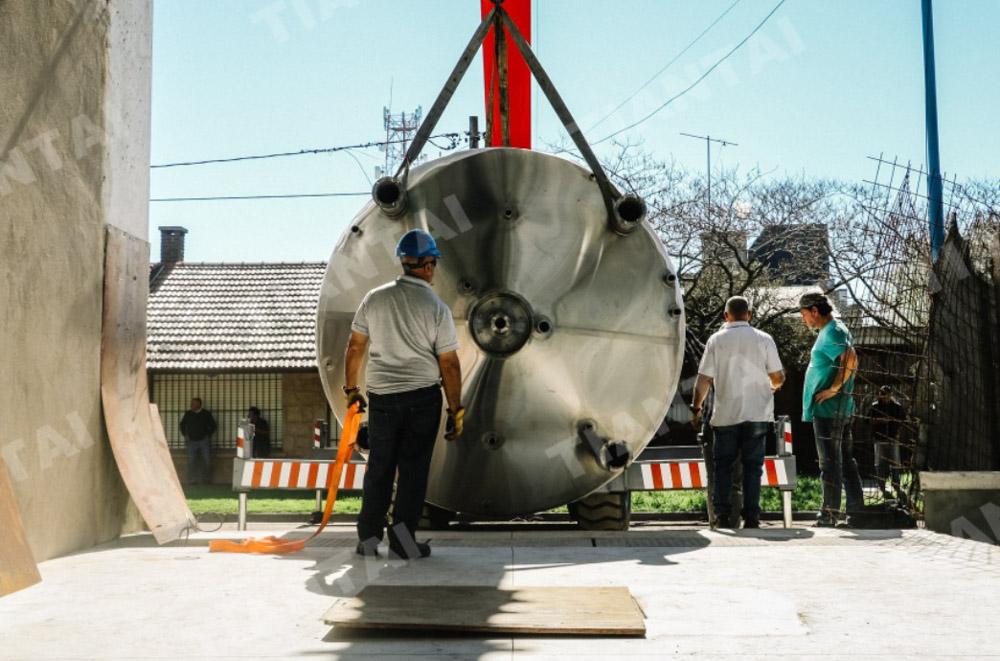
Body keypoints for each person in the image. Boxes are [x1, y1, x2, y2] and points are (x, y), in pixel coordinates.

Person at [344, 229, 464, 560]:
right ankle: (403, 542)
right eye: (434, 263)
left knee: (379, 468)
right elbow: (449, 365)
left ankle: (368, 539)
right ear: (427, 265)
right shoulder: (436, 308)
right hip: (422, 400)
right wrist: (456, 411)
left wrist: (352, 390)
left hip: (382, 398)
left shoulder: (375, 299)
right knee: (412, 472)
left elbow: (355, 346)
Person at [692, 296, 785, 529]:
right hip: (758, 414)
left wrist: (696, 407)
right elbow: (778, 376)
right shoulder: (765, 339)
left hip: (726, 416)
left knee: (723, 466)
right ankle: (752, 517)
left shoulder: (716, 340)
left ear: (726, 316)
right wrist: (770, 389)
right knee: (753, 468)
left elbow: (704, 379)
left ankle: (722, 516)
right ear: (749, 315)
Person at [799, 292, 863, 526]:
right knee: (845, 461)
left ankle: (829, 514)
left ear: (815, 311)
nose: (804, 320)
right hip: (837, 410)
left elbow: (851, 358)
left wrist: (834, 388)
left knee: (830, 463)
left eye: (804, 315)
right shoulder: (833, 329)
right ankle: (856, 511)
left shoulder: (833, 330)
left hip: (830, 410)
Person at [868, 386, 906, 500]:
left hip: (893, 438)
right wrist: (880, 420)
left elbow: (902, 420)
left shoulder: (897, 407)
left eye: (887, 394)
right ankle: (881, 485)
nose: (885, 397)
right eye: (882, 394)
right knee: (880, 464)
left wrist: (897, 429)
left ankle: (896, 485)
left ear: (890, 395)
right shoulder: (875, 406)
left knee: (895, 463)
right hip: (879, 439)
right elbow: (867, 420)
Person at [179, 397, 216, 486]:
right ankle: (192, 480)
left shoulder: (206, 414)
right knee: (191, 460)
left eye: (194, 403)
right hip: (191, 440)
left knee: (207, 460)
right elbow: (182, 424)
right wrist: (185, 435)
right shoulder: (188, 414)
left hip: (204, 440)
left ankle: (206, 479)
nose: (191, 405)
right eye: (191, 403)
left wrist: (208, 435)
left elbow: (213, 425)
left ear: (199, 405)